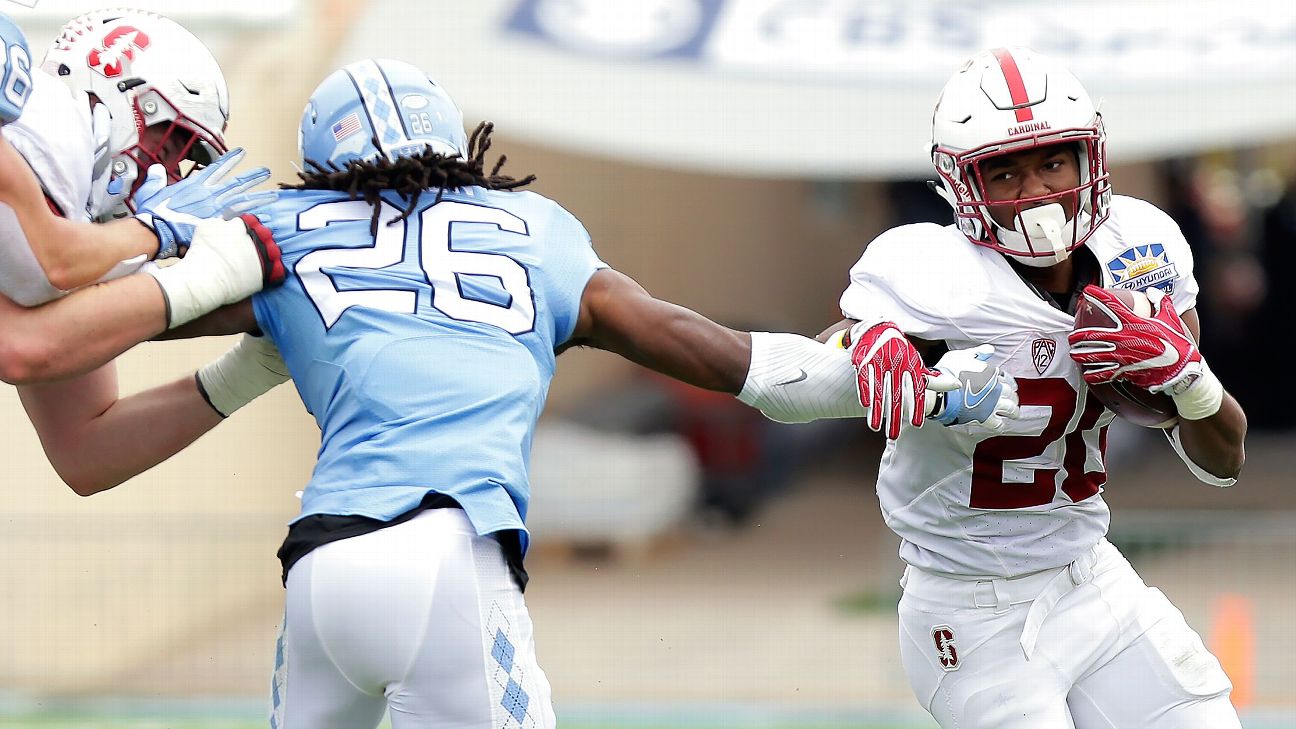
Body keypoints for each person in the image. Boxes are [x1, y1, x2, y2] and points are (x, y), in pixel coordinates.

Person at [188, 58, 1015, 729]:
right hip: (446, 550)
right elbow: (739, 363)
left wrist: (139, 233)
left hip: (320, 561)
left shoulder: (287, 233)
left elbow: (103, 324)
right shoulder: (533, 231)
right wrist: (930, 390)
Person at [822, 47, 1247, 728]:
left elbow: (1222, 460)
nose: (1039, 191)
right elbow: (826, 360)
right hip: (971, 609)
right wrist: (861, 342)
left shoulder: (1142, 248)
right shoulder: (936, 273)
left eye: (1053, 161)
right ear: (963, 184)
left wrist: (1187, 377)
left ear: (1090, 158)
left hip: (1091, 576)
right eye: (1007, 172)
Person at [0, 9, 286, 494]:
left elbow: (85, 450)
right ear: (124, 90)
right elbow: (40, 301)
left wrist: (252, 370)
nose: (172, 176)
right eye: (175, 144)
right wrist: (153, 237)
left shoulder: (72, 215)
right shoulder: (43, 128)